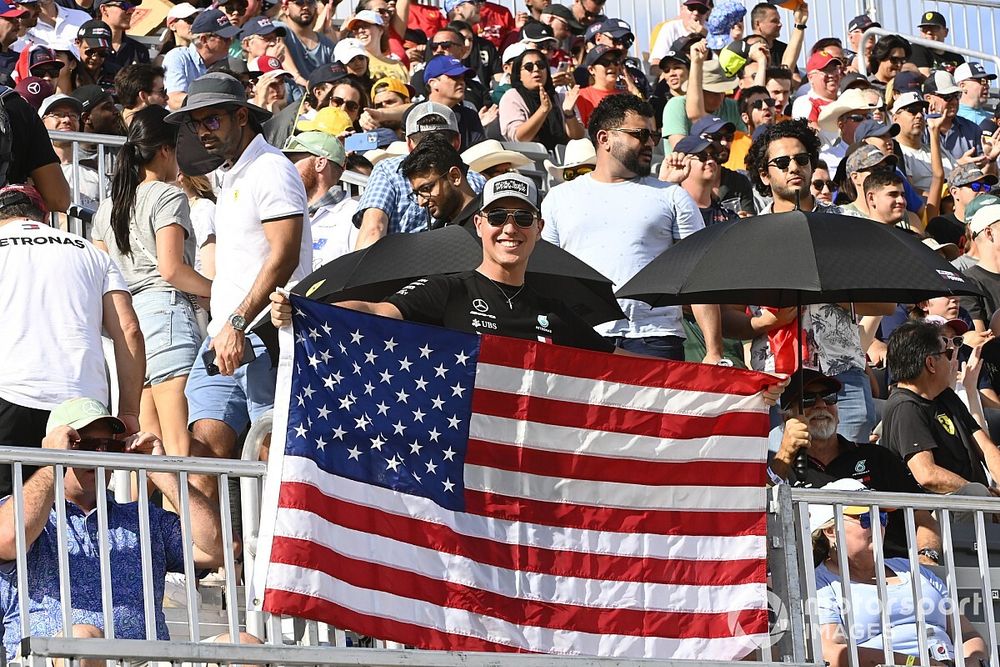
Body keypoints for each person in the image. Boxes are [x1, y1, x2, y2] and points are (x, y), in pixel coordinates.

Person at [275, 171, 616, 353]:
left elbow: (617, 362)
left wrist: (671, 381)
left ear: (539, 229)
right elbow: (376, 311)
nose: (510, 228)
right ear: (480, 224)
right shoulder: (448, 289)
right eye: (498, 216)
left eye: (523, 218)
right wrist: (305, 309)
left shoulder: (552, 310)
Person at [0, 398, 233, 661]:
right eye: (84, 445)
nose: (100, 456)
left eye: (109, 446)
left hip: (147, 661)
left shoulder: (143, 518)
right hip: (51, 659)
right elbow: (7, 539)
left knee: (243, 645)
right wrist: (50, 464)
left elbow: (218, 548)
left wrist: (161, 471)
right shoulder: (21, 512)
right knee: (83, 640)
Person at [165, 73, 311, 483]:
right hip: (228, 335)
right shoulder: (233, 172)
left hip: (267, 333)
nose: (202, 131)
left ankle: (272, 548)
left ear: (242, 116)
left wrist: (238, 322)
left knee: (274, 458)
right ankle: (213, 549)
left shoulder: (271, 169)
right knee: (202, 456)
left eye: (212, 120)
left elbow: (284, 257)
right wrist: (229, 326)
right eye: (195, 123)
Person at [541, 94, 724, 362]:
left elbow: (698, 276)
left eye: (653, 135)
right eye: (640, 134)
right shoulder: (558, 199)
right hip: (581, 336)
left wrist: (714, 351)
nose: (650, 142)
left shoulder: (672, 196)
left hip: (656, 336)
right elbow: (549, 278)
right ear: (604, 139)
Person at [739, 119, 891, 442]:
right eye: (782, 162)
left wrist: (824, 290)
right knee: (783, 483)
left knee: (851, 484)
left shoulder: (847, 225)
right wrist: (766, 321)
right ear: (764, 175)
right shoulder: (747, 237)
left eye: (802, 159)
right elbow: (728, 319)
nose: (794, 167)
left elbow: (885, 302)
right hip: (774, 378)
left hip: (843, 376)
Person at [0, 184, 144, 496]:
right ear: (45, 216)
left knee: (9, 520)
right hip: (84, 405)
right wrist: (129, 411)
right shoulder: (91, 251)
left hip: (10, 395)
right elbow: (129, 330)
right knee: (78, 517)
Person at [90, 106, 210, 460]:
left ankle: (148, 518)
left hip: (127, 327)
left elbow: (104, 277)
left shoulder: (106, 209)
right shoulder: (169, 196)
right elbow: (172, 270)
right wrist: (221, 290)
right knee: (178, 446)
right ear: (165, 149)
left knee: (146, 450)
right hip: (167, 315)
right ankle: (189, 517)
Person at [809, 479, 989, 667]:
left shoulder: (911, 569)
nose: (879, 525)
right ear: (830, 530)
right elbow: (832, 652)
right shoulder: (821, 584)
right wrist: (914, 663)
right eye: (866, 518)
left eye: (882, 517)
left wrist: (973, 661)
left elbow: (967, 634)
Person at [771, 371, 941, 561]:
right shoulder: (781, 469)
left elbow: (922, 515)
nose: (821, 405)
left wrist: (927, 556)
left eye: (829, 397)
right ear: (788, 418)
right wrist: (785, 455)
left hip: (893, 572)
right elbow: (760, 518)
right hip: (819, 583)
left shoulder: (877, 456)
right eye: (808, 399)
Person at [882, 320, 1000, 498]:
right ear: (930, 363)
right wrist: (983, 497)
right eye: (948, 353)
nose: (954, 359)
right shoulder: (905, 407)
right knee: (973, 491)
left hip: (972, 507)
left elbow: (986, 448)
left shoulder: (945, 396)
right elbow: (926, 475)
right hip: (937, 516)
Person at [353, 101, 487, 247]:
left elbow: (373, 230)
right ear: (457, 141)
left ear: (409, 144)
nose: (421, 201)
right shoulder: (477, 179)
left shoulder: (388, 170)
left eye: (426, 189)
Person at [281, 130, 359, 268]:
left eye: (293, 161)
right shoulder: (283, 211)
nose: (285, 169)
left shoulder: (353, 216)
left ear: (320, 163)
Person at [661, 39, 742, 148]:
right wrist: (696, 62)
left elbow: (744, 144)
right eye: (714, 92)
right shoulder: (676, 106)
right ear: (699, 92)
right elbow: (681, 148)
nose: (720, 95)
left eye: (722, 91)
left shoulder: (731, 106)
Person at [498, 49, 583, 150]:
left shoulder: (561, 98)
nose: (536, 69)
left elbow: (578, 137)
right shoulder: (512, 97)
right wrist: (543, 110)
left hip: (565, 157)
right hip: (530, 160)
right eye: (529, 67)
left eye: (541, 65)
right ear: (519, 75)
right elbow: (519, 138)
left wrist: (569, 113)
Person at [398, 132, 480, 228]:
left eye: (426, 188)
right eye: (417, 194)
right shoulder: (439, 227)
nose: (421, 202)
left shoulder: (488, 223)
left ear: (455, 177)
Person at [163, 9, 239, 110]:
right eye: (224, 38)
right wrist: (215, 101)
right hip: (181, 122)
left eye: (230, 37)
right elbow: (174, 100)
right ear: (204, 40)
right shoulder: (178, 57)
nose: (230, 42)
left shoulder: (230, 62)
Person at [39, 94, 104, 207]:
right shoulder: (34, 176)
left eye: (73, 115)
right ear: (41, 122)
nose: (67, 120)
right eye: (58, 115)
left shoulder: (96, 175)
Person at [422, 54, 486, 150]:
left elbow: (479, 153)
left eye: (463, 78)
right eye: (455, 77)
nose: (462, 82)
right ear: (433, 83)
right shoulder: (415, 115)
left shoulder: (469, 116)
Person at [923, 70, 985, 164]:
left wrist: (991, 160)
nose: (954, 102)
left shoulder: (972, 129)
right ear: (928, 98)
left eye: (957, 96)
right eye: (947, 96)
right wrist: (958, 164)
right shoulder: (919, 129)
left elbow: (985, 172)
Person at [673, 133, 736, 226]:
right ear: (681, 163)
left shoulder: (729, 218)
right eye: (702, 156)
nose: (711, 161)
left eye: (714, 156)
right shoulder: (671, 214)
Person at [343, 9, 407, 82]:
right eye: (356, 28)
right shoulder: (355, 64)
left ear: (380, 29)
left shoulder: (398, 65)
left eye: (365, 26)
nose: (360, 31)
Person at [277, 0, 335, 79]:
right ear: (285, 9)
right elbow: (279, 46)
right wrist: (298, 78)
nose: (306, 7)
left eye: (310, 2)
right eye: (299, 3)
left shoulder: (327, 45)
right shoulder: (279, 31)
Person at [724, 85, 773, 172]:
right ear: (745, 117)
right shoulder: (732, 141)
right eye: (757, 104)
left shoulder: (786, 140)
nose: (765, 107)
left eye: (769, 102)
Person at [93, 0, 149, 69]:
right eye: (124, 6)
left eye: (132, 7)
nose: (131, 11)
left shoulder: (139, 51)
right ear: (104, 9)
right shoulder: (89, 48)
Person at [910, 11, 965, 76]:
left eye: (934, 28)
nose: (929, 32)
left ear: (946, 32)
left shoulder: (956, 57)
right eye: (924, 29)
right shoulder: (916, 49)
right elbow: (925, 77)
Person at [72, 20, 120, 91]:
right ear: (78, 43)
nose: (95, 58)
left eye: (102, 53)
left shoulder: (118, 75)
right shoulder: (68, 75)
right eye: (90, 51)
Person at [955, 62, 996, 127]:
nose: (987, 86)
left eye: (987, 81)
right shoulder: (953, 118)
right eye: (982, 81)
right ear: (962, 86)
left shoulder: (993, 118)